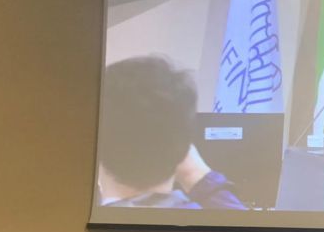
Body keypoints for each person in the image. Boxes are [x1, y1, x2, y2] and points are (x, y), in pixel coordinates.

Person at [97, 56, 245, 210]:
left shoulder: (86, 220)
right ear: (186, 150)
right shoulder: (216, 223)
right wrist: (197, 176)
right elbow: (242, 222)